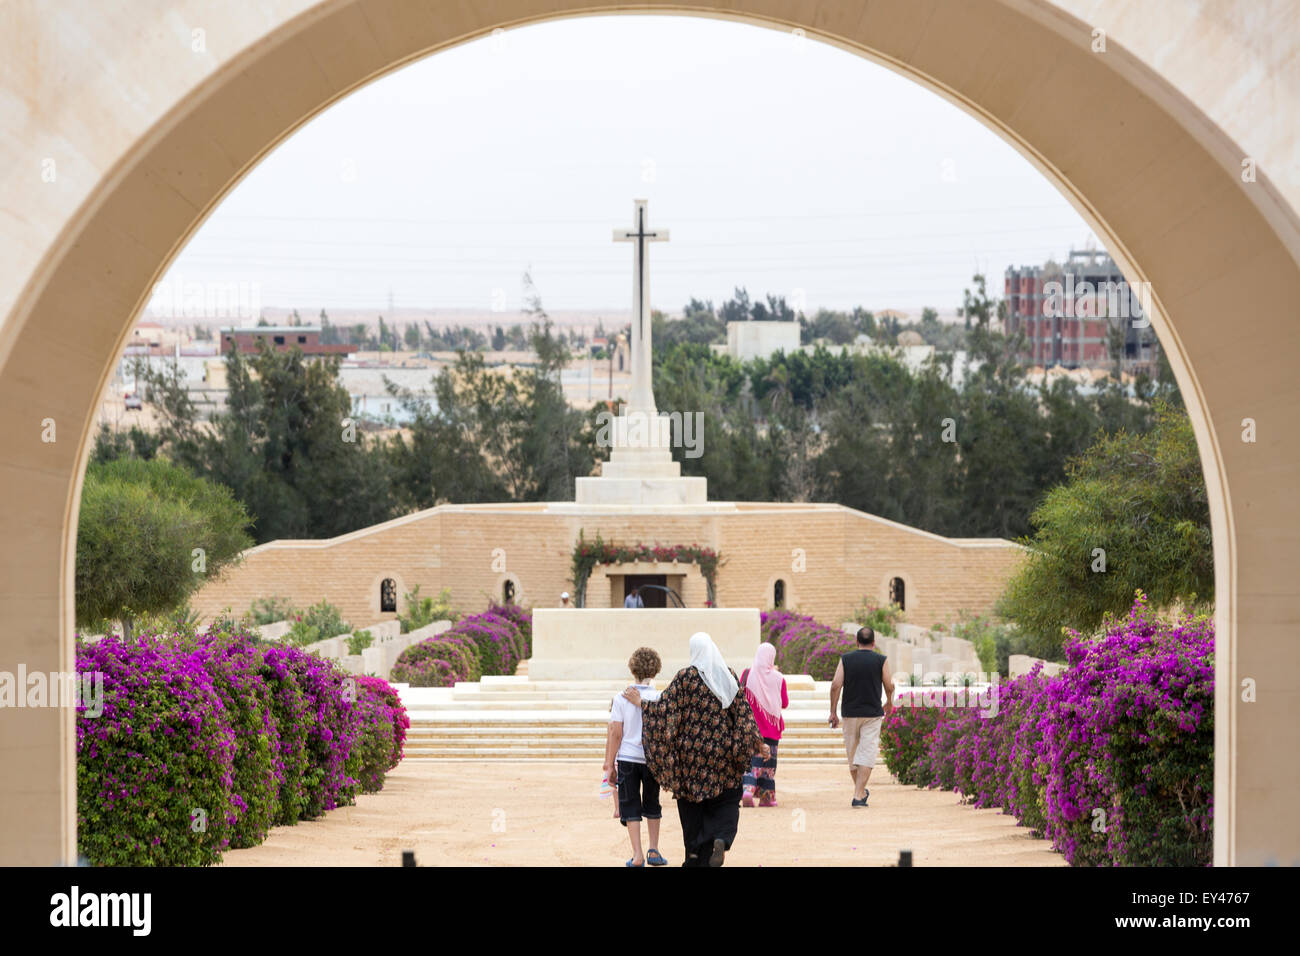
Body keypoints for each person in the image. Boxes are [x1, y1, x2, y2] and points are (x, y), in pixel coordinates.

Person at [623, 632, 768, 867]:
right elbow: (742, 711)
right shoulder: (727, 675)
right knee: (727, 800)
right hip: (723, 755)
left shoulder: (685, 678)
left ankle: (693, 855)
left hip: (691, 758)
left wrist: (642, 704)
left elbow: (665, 710)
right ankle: (721, 837)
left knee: (692, 806)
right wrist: (757, 741)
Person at [604, 647, 667, 867]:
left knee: (630, 805)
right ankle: (654, 849)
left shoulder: (620, 698)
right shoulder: (659, 697)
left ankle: (637, 854)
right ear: (656, 670)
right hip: (651, 759)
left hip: (628, 759)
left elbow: (616, 733)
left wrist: (610, 763)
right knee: (653, 803)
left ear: (632, 669)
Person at [829, 626, 894, 807]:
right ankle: (859, 794)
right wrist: (889, 701)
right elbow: (889, 684)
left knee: (853, 755)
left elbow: (835, 685)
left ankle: (858, 793)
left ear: (857, 642)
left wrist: (833, 712)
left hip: (850, 713)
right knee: (867, 753)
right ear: (874, 643)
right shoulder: (881, 660)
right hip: (872, 714)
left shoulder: (846, 659)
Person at [740, 641, 788, 807]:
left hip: (751, 729)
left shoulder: (747, 674)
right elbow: (785, 703)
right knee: (769, 763)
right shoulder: (779, 678)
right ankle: (766, 797)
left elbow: (740, 698)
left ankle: (747, 789)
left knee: (752, 760)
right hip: (772, 729)